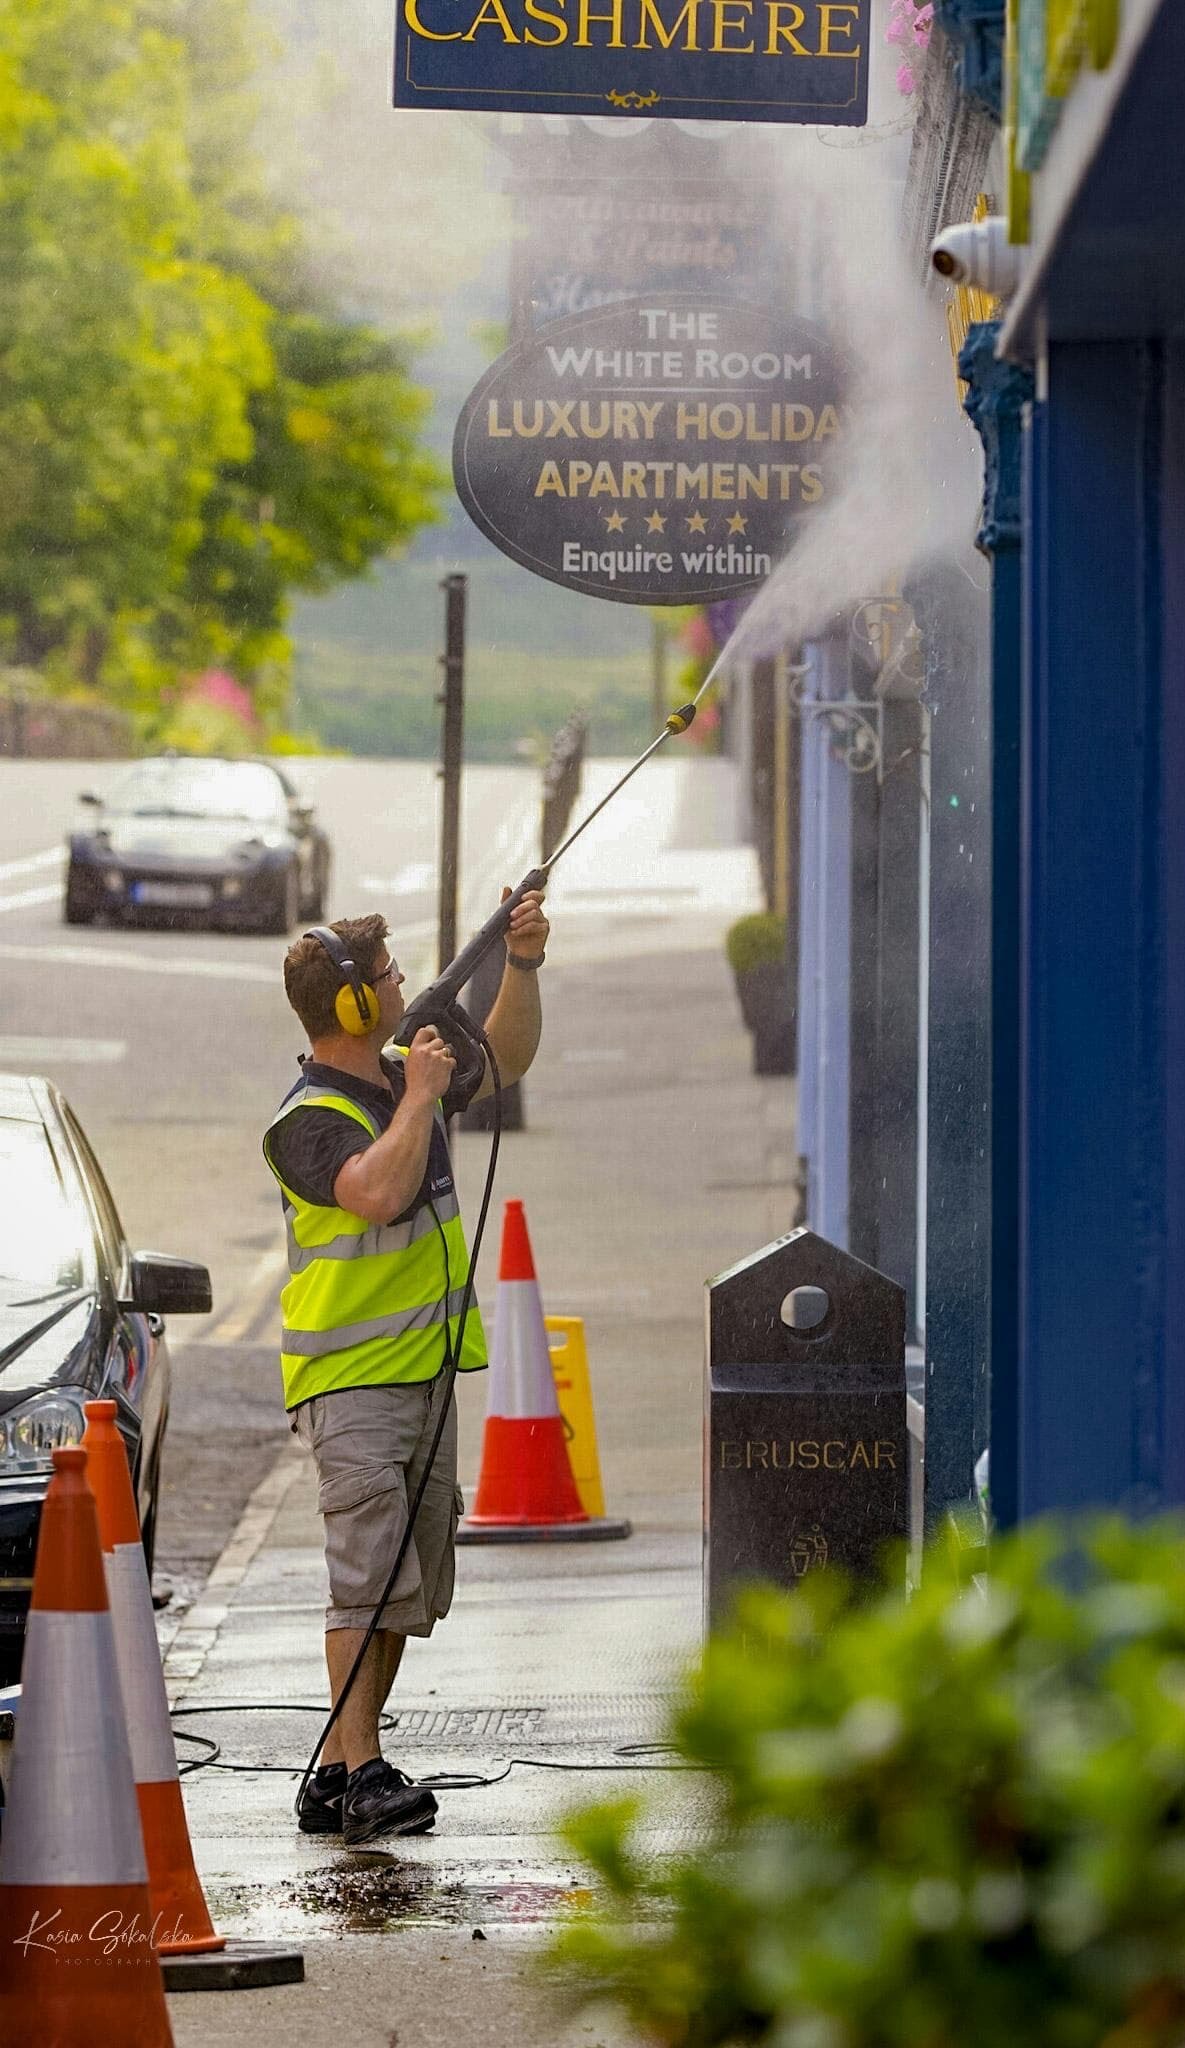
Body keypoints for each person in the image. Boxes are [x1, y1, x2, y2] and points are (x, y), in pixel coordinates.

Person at [262, 889, 549, 1846]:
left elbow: (505, 1058)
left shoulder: (399, 1073)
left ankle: (340, 1769)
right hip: (348, 1386)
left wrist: (522, 964)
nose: (396, 985)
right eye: (384, 978)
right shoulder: (307, 1119)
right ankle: (364, 1768)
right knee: (365, 1581)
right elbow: (376, 1195)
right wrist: (420, 1099)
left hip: (422, 1374)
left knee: (406, 1586)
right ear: (346, 1007)